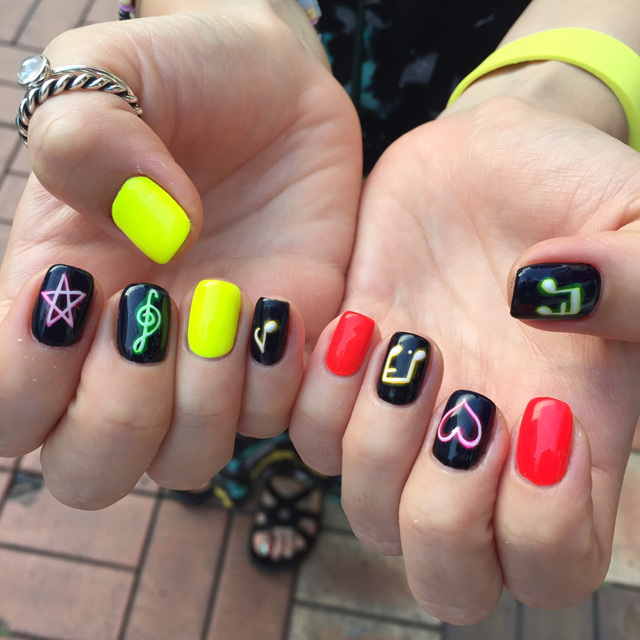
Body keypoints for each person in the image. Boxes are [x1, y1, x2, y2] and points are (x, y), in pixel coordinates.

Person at [2, 0, 640, 625]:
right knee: (224, 378)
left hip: (468, 103)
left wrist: (550, 87)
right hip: (243, 147)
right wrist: (244, 22)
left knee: (359, 417)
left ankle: (296, 479)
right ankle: (247, 468)